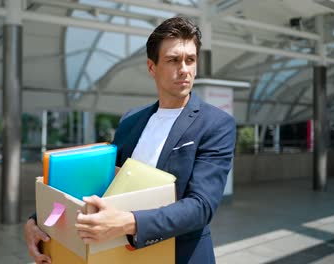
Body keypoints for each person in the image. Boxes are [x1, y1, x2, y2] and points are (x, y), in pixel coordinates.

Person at [24, 16, 236, 264]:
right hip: (122, 255)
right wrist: (37, 219)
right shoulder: (131, 119)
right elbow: (102, 182)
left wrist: (127, 223)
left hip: (181, 255)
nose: (184, 69)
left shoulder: (216, 124)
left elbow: (201, 207)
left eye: (190, 59)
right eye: (173, 60)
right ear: (151, 67)